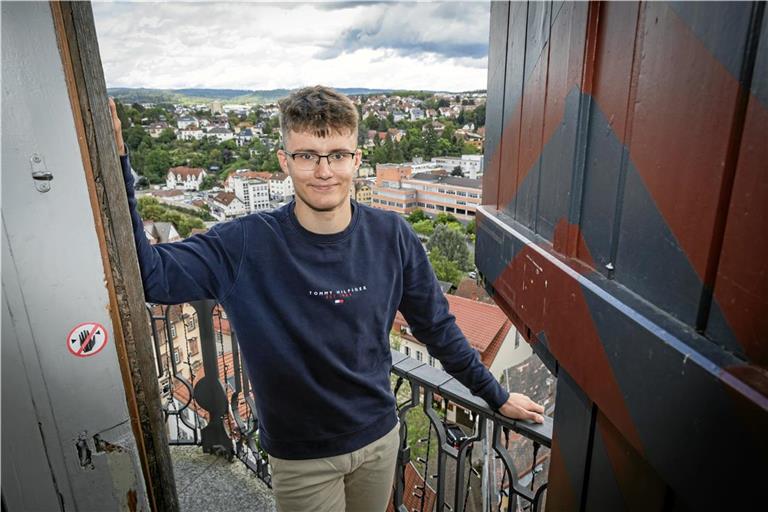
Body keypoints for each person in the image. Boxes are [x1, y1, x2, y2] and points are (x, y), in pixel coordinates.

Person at [109, 86, 544, 512]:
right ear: (285, 161)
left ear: (357, 159)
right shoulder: (245, 243)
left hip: (377, 440)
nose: (324, 171)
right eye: (307, 156)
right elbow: (151, 276)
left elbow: (437, 328)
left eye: (337, 155)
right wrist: (118, 164)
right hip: (301, 457)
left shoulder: (393, 236)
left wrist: (495, 394)